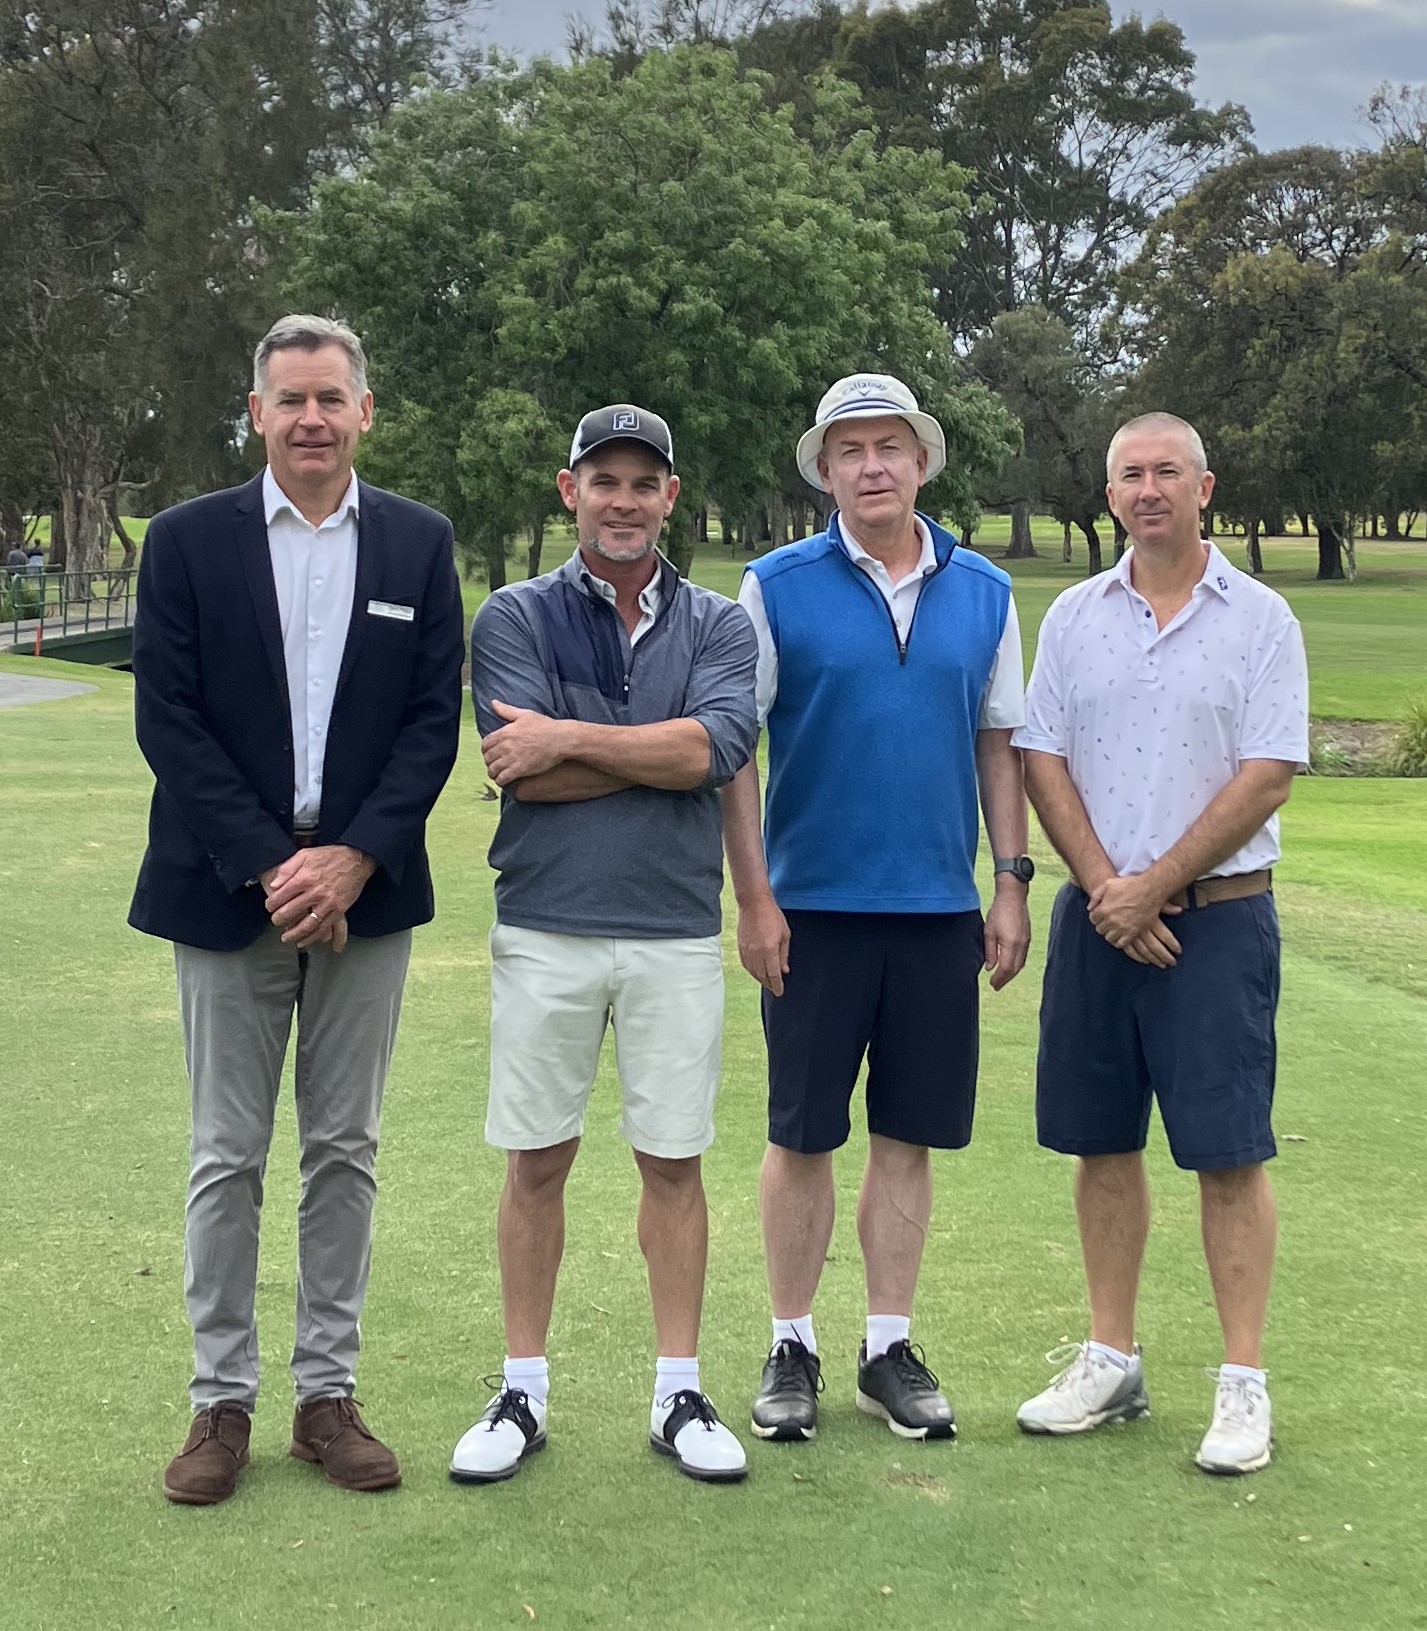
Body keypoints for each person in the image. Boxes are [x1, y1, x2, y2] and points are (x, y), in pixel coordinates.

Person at [130, 313, 465, 1505]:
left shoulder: (418, 543)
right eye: (291, 399)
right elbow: (168, 716)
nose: (311, 418)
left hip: (367, 894)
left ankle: (327, 1397)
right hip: (229, 889)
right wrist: (280, 866)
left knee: (344, 1150)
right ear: (257, 413)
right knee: (227, 1154)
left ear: (363, 410)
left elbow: (430, 722)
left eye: (331, 397)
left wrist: (353, 860)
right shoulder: (185, 541)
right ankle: (219, 1402)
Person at [720, 373, 1032, 1446]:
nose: (870, 466)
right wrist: (753, 897)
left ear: (922, 461)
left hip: (939, 909)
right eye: (847, 450)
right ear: (823, 470)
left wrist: (1008, 881)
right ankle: (791, 1343)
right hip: (810, 910)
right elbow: (735, 751)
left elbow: (998, 742)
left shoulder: (985, 589)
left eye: (888, 446)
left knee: (907, 1134)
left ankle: (886, 1347)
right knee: (801, 1133)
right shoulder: (773, 584)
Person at [455, 404, 758, 1486]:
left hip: (674, 927)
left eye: (642, 482)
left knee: (672, 1161)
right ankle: (521, 1389)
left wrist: (570, 738)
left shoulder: (719, 625)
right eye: (603, 481)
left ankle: (678, 1388)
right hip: (546, 922)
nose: (622, 501)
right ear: (568, 490)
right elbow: (519, 772)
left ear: (670, 496)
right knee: (536, 1158)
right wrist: (649, 752)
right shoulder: (513, 614)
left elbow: (713, 752)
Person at [1012, 412, 1309, 1475]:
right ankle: (1110, 1358)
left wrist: (1153, 887)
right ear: (1109, 496)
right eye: (1130, 474)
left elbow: (1265, 773)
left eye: (1166, 472)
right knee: (1101, 1144)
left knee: (1227, 1153)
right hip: (1098, 920)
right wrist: (1109, 890)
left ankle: (1241, 1381)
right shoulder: (1073, 615)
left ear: (1202, 488)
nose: (1147, 489)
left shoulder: (1261, 617)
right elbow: (1040, 755)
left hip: (1216, 922)